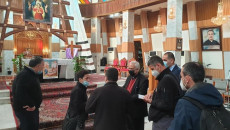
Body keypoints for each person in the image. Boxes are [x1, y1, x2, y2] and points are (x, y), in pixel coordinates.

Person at [168, 62, 223, 130]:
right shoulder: (216, 96)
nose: (181, 79)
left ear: (187, 79)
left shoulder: (185, 104)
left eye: (181, 76)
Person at [144, 56, 182, 130]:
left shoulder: (166, 79)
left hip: (164, 119)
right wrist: (154, 94)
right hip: (165, 118)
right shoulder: (167, 76)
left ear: (158, 65)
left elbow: (166, 104)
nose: (152, 72)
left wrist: (151, 101)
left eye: (152, 69)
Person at [12, 56, 44, 130]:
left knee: (33, 125)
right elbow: (20, 92)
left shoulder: (30, 74)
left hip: (31, 108)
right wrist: (31, 105)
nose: (43, 67)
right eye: (43, 65)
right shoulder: (25, 75)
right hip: (26, 109)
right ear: (38, 66)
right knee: (29, 126)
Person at [122, 61, 148, 130]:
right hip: (128, 109)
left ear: (137, 69)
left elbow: (141, 95)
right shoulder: (129, 77)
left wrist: (128, 98)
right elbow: (124, 87)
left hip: (137, 110)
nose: (129, 70)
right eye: (128, 68)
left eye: (131, 68)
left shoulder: (143, 80)